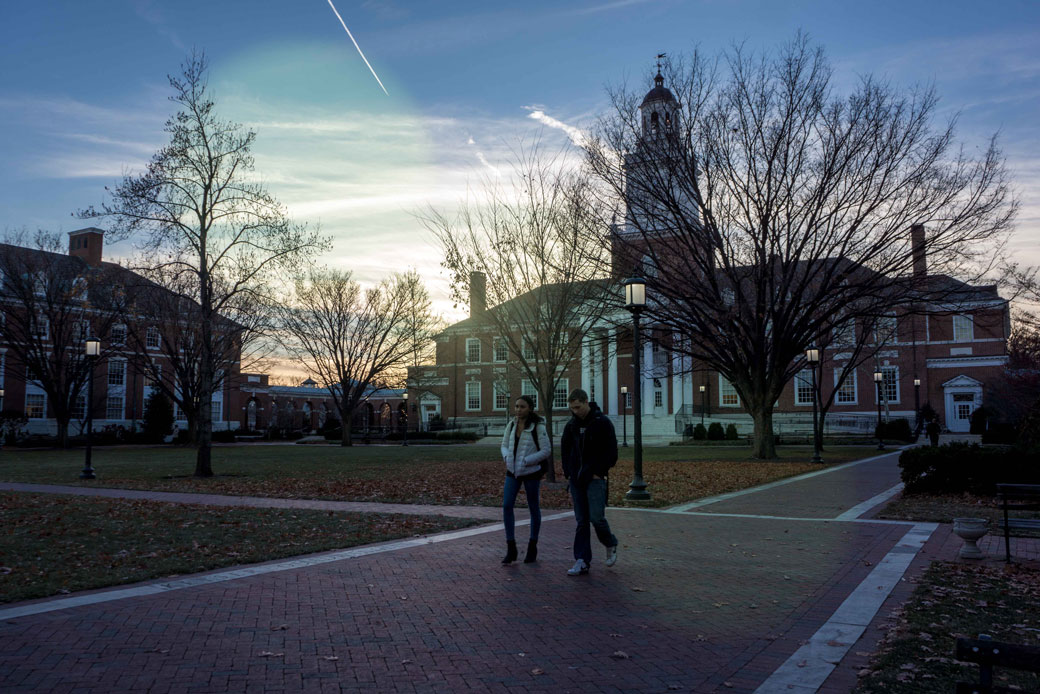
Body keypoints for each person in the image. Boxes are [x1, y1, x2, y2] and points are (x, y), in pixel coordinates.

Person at [560, 389, 619, 576]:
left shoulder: (602, 423)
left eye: (578, 407)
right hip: (576, 480)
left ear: (586, 402)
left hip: (595, 479)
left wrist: (598, 472)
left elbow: (611, 452)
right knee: (581, 521)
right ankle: (582, 560)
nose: (575, 411)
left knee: (596, 518)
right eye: (572, 408)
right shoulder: (571, 426)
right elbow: (565, 450)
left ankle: (610, 542)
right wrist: (568, 472)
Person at [499, 394, 550, 564]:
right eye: (516, 406)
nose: (518, 410)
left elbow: (546, 450)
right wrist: (507, 457)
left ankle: (532, 546)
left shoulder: (538, 427)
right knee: (507, 505)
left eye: (522, 407)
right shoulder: (511, 424)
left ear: (530, 408)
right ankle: (511, 547)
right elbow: (504, 445)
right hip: (512, 471)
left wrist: (527, 461)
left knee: (533, 507)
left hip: (531, 472)